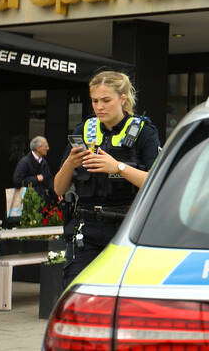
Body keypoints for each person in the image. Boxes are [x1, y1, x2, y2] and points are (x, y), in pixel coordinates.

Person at [53, 71, 160, 289]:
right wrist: (69, 164)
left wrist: (118, 168)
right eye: (95, 101)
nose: (99, 106)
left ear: (123, 98)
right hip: (86, 226)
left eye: (106, 100)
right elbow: (58, 187)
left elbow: (157, 183)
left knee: (125, 297)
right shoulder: (84, 130)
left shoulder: (143, 132)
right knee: (74, 295)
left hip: (126, 226)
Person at [12, 136, 55, 203]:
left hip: (41, 201)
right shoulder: (24, 162)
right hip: (26, 203)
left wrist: (56, 193)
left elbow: (49, 179)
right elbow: (17, 181)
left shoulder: (44, 162)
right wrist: (36, 179)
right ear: (38, 148)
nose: (48, 148)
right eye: (46, 146)